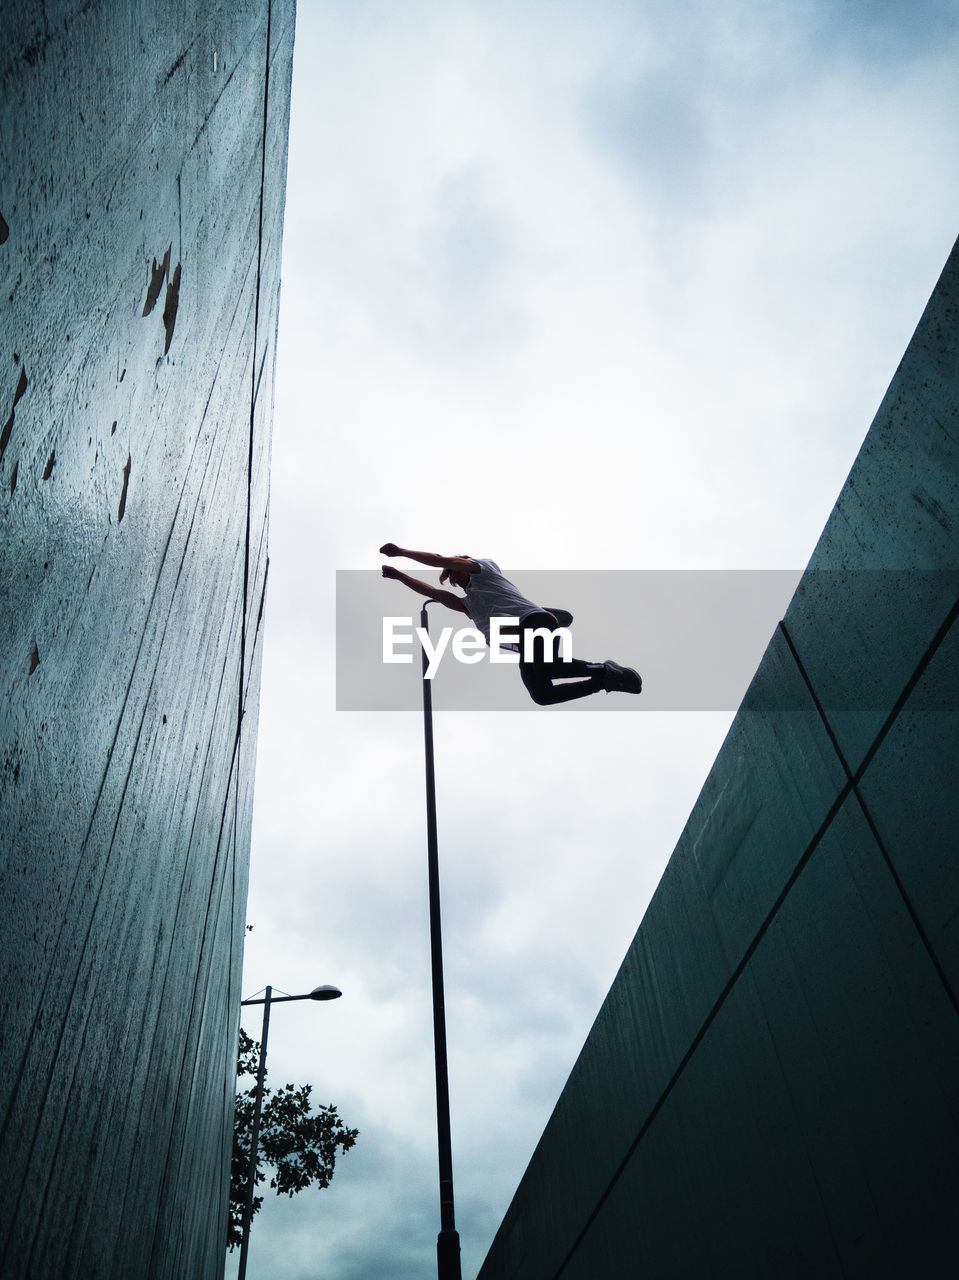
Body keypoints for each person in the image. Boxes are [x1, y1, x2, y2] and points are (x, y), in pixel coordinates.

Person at [379, 543, 642, 705]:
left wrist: (401, 553)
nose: (457, 580)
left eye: (457, 573)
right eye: (454, 581)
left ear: (465, 565)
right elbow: (434, 594)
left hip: (535, 622)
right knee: (542, 694)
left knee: (545, 667)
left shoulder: (485, 570)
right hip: (523, 639)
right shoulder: (470, 607)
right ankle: (605, 679)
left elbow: (440, 559)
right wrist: (399, 576)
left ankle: (604, 668)